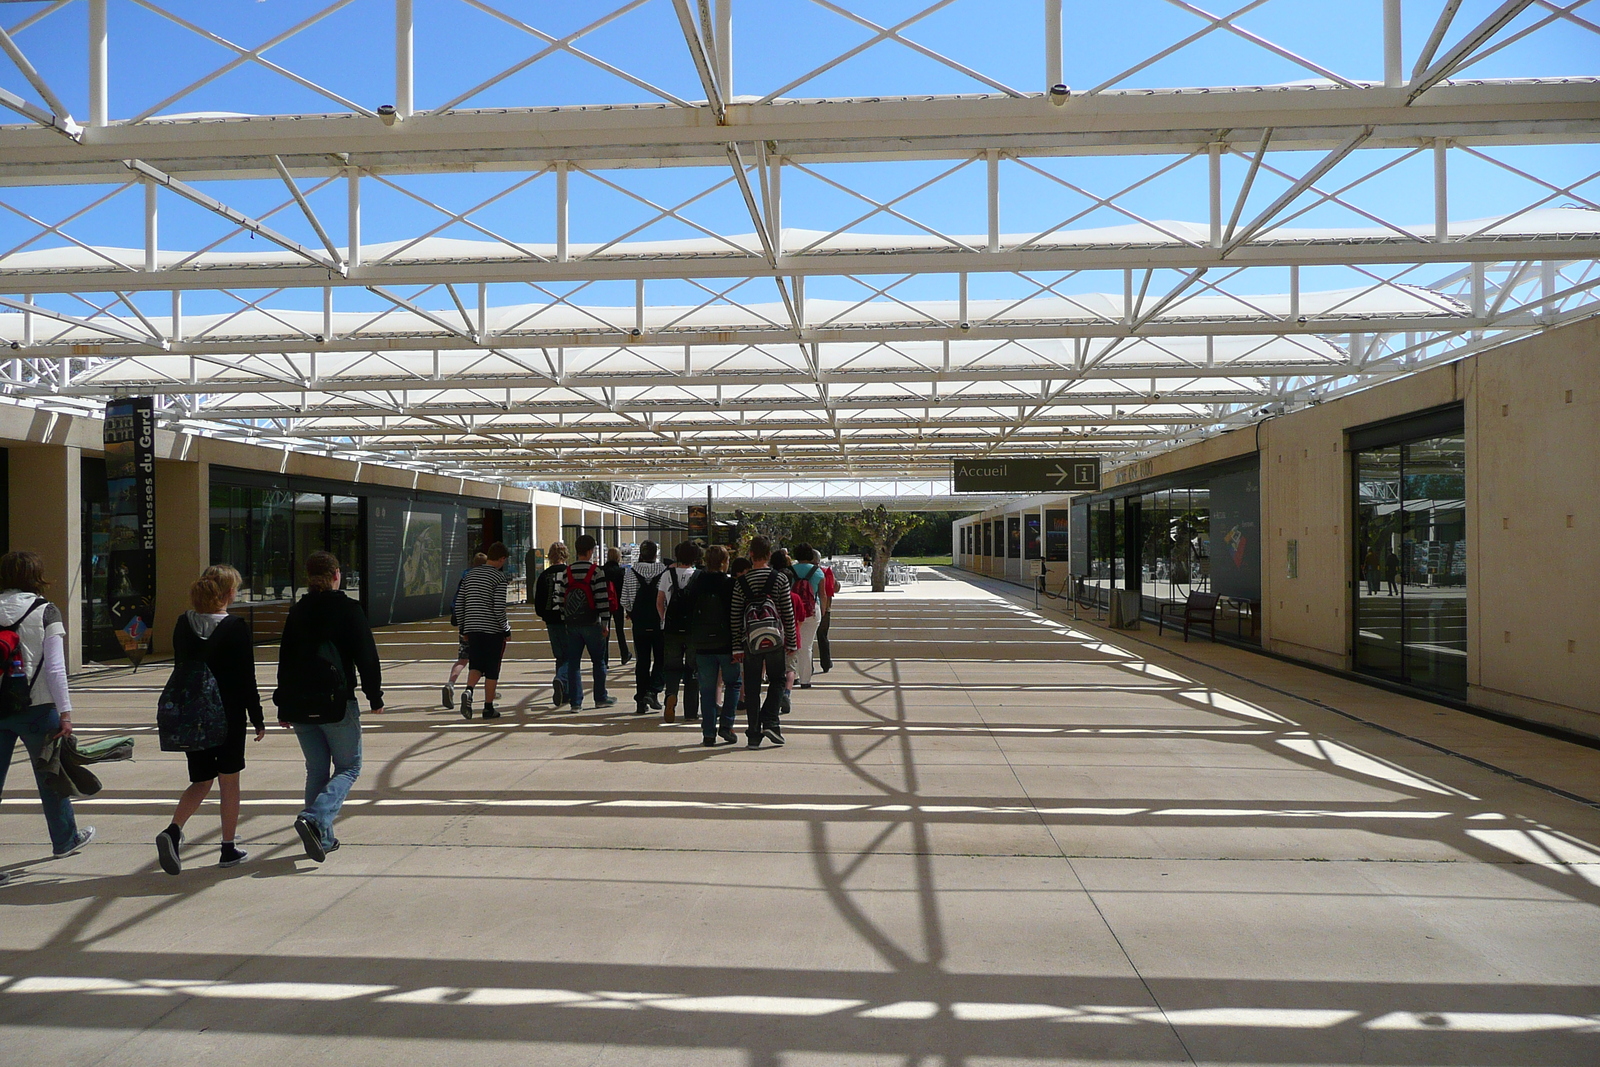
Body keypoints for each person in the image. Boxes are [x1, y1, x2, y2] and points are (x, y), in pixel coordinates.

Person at [274, 551, 383, 863]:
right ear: (337, 574)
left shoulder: (297, 611)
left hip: (299, 704)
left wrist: (283, 706)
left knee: (317, 769)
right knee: (349, 767)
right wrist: (374, 696)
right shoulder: (348, 609)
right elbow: (366, 655)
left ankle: (324, 838)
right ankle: (314, 818)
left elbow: (285, 659)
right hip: (336, 703)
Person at [155, 565, 264, 875]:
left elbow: (181, 666)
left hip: (192, 714)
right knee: (229, 781)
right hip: (227, 715)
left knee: (201, 780)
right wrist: (257, 718)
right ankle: (228, 848)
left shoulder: (182, 624)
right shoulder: (235, 626)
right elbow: (247, 679)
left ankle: (173, 830)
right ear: (228, 594)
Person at [0, 550, 94, 858]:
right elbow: (55, 668)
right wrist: (65, 713)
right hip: (39, 708)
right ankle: (65, 839)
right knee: (51, 776)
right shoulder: (46, 611)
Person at [730, 537, 796, 749]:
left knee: (751, 686)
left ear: (750, 554)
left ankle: (753, 734)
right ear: (769, 555)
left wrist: (736, 646)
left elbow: (735, 615)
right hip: (775, 638)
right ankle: (770, 721)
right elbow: (787, 611)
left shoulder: (741, 582)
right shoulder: (779, 578)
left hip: (750, 641)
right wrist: (791, 641)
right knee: (777, 679)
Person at [551, 535, 620, 711]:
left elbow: (558, 599)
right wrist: (605, 623)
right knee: (598, 661)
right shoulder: (596, 572)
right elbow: (602, 600)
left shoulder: (566, 572)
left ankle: (575, 702)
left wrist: (564, 618)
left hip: (572, 624)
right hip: (592, 623)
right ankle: (600, 697)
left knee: (574, 663)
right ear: (590, 551)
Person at [688, 546, 741, 747]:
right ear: (723, 562)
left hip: (703, 644)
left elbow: (690, 611)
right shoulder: (730, 584)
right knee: (733, 684)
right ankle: (726, 725)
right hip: (727, 643)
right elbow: (736, 615)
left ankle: (708, 732)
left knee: (707, 689)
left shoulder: (697, 582)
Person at [455, 542, 511, 720]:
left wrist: (464, 627)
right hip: (492, 629)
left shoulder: (470, 575)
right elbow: (498, 607)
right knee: (492, 669)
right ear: (501, 559)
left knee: (476, 664)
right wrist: (506, 628)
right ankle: (488, 708)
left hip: (472, 628)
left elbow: (459, 603)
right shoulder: (499, 578)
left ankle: (469, 691)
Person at [658, 541, 701, 723]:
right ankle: (691, 711)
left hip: (672, 628)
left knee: (672, 667)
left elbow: (660, 601)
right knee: (692, 669)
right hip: (692, 629)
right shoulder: (699, 575)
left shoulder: (668, 575)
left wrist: (663, 619)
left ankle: (671, 695)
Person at [622, 541, 667, 713]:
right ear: (655, 554)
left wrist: (631, 612)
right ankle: (653, 690)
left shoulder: (630, 572)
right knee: (660, 658)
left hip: (639, 623)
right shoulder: (664, 571)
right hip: (659, 622)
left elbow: (625, 599)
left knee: (642, 661)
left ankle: (641, 699)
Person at [441, 552, 488, 711]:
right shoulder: (486, 578)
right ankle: (488, 691)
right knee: (485, 659)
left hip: (465, 625)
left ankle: (450, 684)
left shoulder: (465, 578)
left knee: (462, 658)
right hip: (481, 624)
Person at [533, 541, 574, 707]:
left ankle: (564, 691)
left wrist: (544, 615)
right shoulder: (569, 573)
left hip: (551, 620)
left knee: (560, 656)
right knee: (571, 655)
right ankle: (562, 680)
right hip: (568, 619)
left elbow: (539, 602)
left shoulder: (544, 575)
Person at [790, 545, 826, 690]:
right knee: (807, 646)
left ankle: (794, 675)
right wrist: (822, 610)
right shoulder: (817, 572)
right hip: (812, 610)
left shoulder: (790, 570)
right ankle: (806, 679)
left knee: (793, 644)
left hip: (793, 610)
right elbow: (822, 594)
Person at [604, 547, 631, 666]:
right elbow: (625, 589)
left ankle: (604, 659)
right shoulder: (621, 572)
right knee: (620, 630)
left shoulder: (602, 570)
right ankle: (624, 654)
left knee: (605, 630)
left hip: (604, 603)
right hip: (618, 603)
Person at [815, 556, 839, 674]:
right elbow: (836, 588)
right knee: (823, 636)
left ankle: (807, 666)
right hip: (826, 608)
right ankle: (826, 663)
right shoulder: (825, 572)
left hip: (807, 608)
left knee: (806, 641)